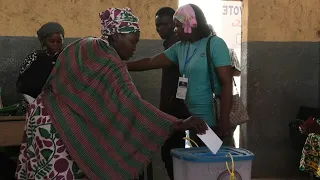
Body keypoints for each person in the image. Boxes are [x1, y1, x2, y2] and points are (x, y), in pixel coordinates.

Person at [15, 7, 207, 180]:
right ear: (115, 37)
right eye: (132, 42)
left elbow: (61, 83)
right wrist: (177, 123)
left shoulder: (84, 45)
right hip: (57, 127)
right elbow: (133, 104)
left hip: (39, 115)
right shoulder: (112, 62)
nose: (134, 48)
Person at [126, 4, 233, 145]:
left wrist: (224, 119)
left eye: (178, 26)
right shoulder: (180, 47)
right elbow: (151, 62)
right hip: (193, 121)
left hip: (212, 120)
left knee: (213, 161)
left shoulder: (214, 44)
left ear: (191, 24)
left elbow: (226, 83)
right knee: (196, 162)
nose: (175, 30)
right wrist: (120, 65)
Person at [155, 7, 190, 180]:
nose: (160, 28)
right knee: (173, 154)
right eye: (157, 25)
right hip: (174, 110)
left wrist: (177, 102)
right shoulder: (171, 44)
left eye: (164, 24)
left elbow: (184, 78)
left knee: (171, 154)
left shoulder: (177, 45)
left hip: (176, 110)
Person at [16, 22, 64, 112]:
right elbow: (24, 87)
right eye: (51, 41)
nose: (56, 44)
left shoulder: (66, 58)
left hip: (58, 108)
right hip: (33, 105)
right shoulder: (34, 58)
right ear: (44, 41)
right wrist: (36, 105)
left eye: (59, 41)